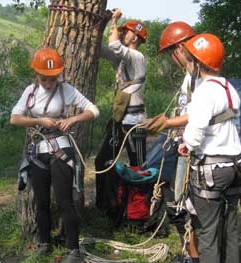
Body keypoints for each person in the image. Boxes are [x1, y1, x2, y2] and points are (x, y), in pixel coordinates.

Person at [10, 48, 99, 263]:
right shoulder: (30, 92)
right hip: (37, 152)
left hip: (60, 150)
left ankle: (73, 250)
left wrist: (73, 119)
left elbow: (93, 110)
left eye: (53, 79)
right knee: (41, 201)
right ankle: (44, 243)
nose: (49, 83)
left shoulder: (66, 90)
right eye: (44, 79)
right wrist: (40, 121)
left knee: (64, 201)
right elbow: (14, 118)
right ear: (36, 75)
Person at [178, 33, 241, 263]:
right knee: (230, 228)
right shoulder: (229, 88)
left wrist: (186, 143)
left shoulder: (204, 92)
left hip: (212, 169)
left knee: (208, 232)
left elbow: (195, 134)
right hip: (235, 164)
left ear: (197, 64)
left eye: (189, 61)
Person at [142, 21, 200, 263]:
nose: (171, 59)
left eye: (170, 53)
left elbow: (198, 115)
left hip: (193, 149)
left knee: (187, 206)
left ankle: (194, 257)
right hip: (180, 143)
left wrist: (167, 123)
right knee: (173, 199)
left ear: (179, 48)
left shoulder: (199, 76)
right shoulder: (190, 76)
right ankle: (189, 253)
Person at [94, 8, 148, 222]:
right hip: (120, 119)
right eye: (123, 30)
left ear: (135, 36)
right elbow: (100, 48)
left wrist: (114, 21)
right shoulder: (123, 60)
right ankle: (105, 205)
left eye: (126, 31)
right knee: (102, 161)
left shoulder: (137, 56)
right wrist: (103, 24)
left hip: (135, 120)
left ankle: (139, 213)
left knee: (139, 167)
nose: (123, 33)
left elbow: (115, 45)